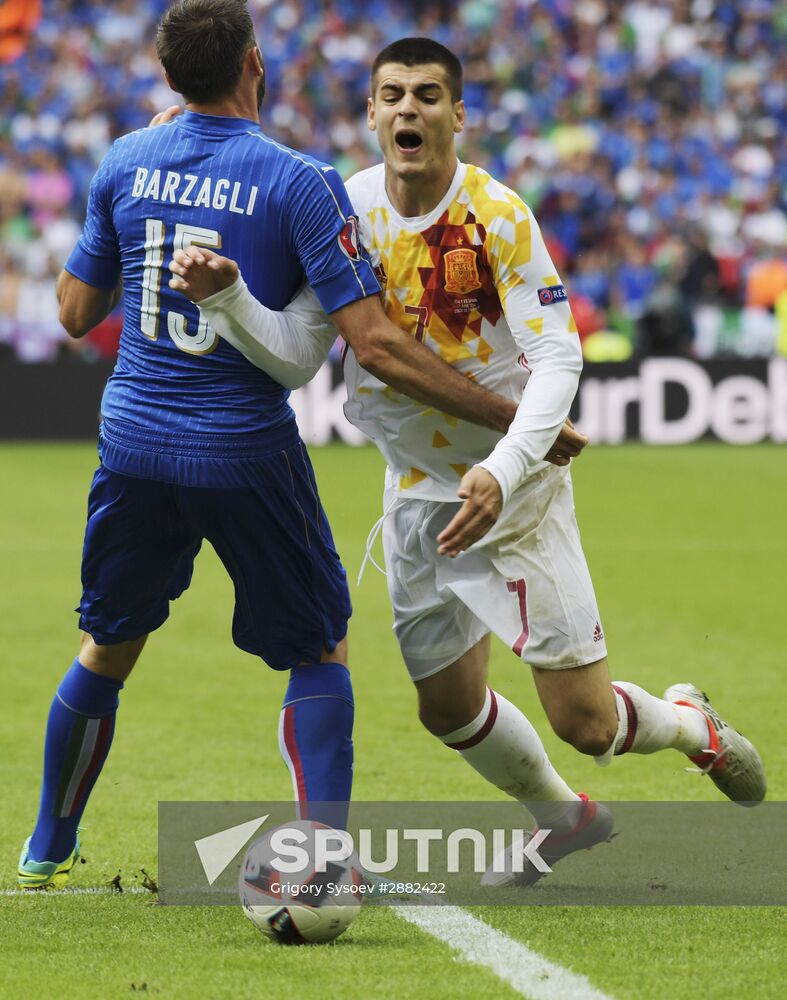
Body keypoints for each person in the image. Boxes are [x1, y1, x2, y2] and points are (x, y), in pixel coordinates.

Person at [167, 36, 766, 884]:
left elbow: (558, 358)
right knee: (445, 708)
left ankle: (687, 725)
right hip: (415, 490)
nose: (406, 109)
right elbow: (298, 353)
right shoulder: (341, 210)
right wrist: (227, 298)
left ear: (457, 114)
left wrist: (506, 465)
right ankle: (566, 820)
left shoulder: (497, 215)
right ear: (370, 112)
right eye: (391, 95)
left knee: (586, 726)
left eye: (425, 95)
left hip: (513, 488)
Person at [16, 3, 585, 892]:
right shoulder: (300, 182)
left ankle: (46, 846)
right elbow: (371, 346)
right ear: (254, 63)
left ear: (169, 76)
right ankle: (324, 860)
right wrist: (512, 421)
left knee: (108, 644)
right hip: (242, 450)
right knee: (318, 651)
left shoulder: (126, 159)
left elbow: (76, 313)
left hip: (132, 441)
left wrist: (139, 196)